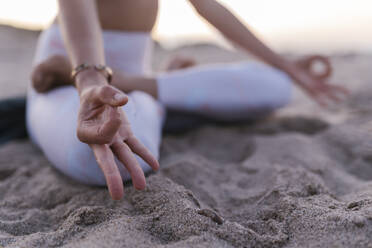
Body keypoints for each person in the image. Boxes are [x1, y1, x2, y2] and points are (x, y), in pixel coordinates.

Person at [27, 0, 348, 200]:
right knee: (105, 165)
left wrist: (287, 66)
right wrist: (90, 80)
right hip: (70, 71)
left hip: (129, 86)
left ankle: (144, 89)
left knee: (277, 86)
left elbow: (210, 7)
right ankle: (155, 94)